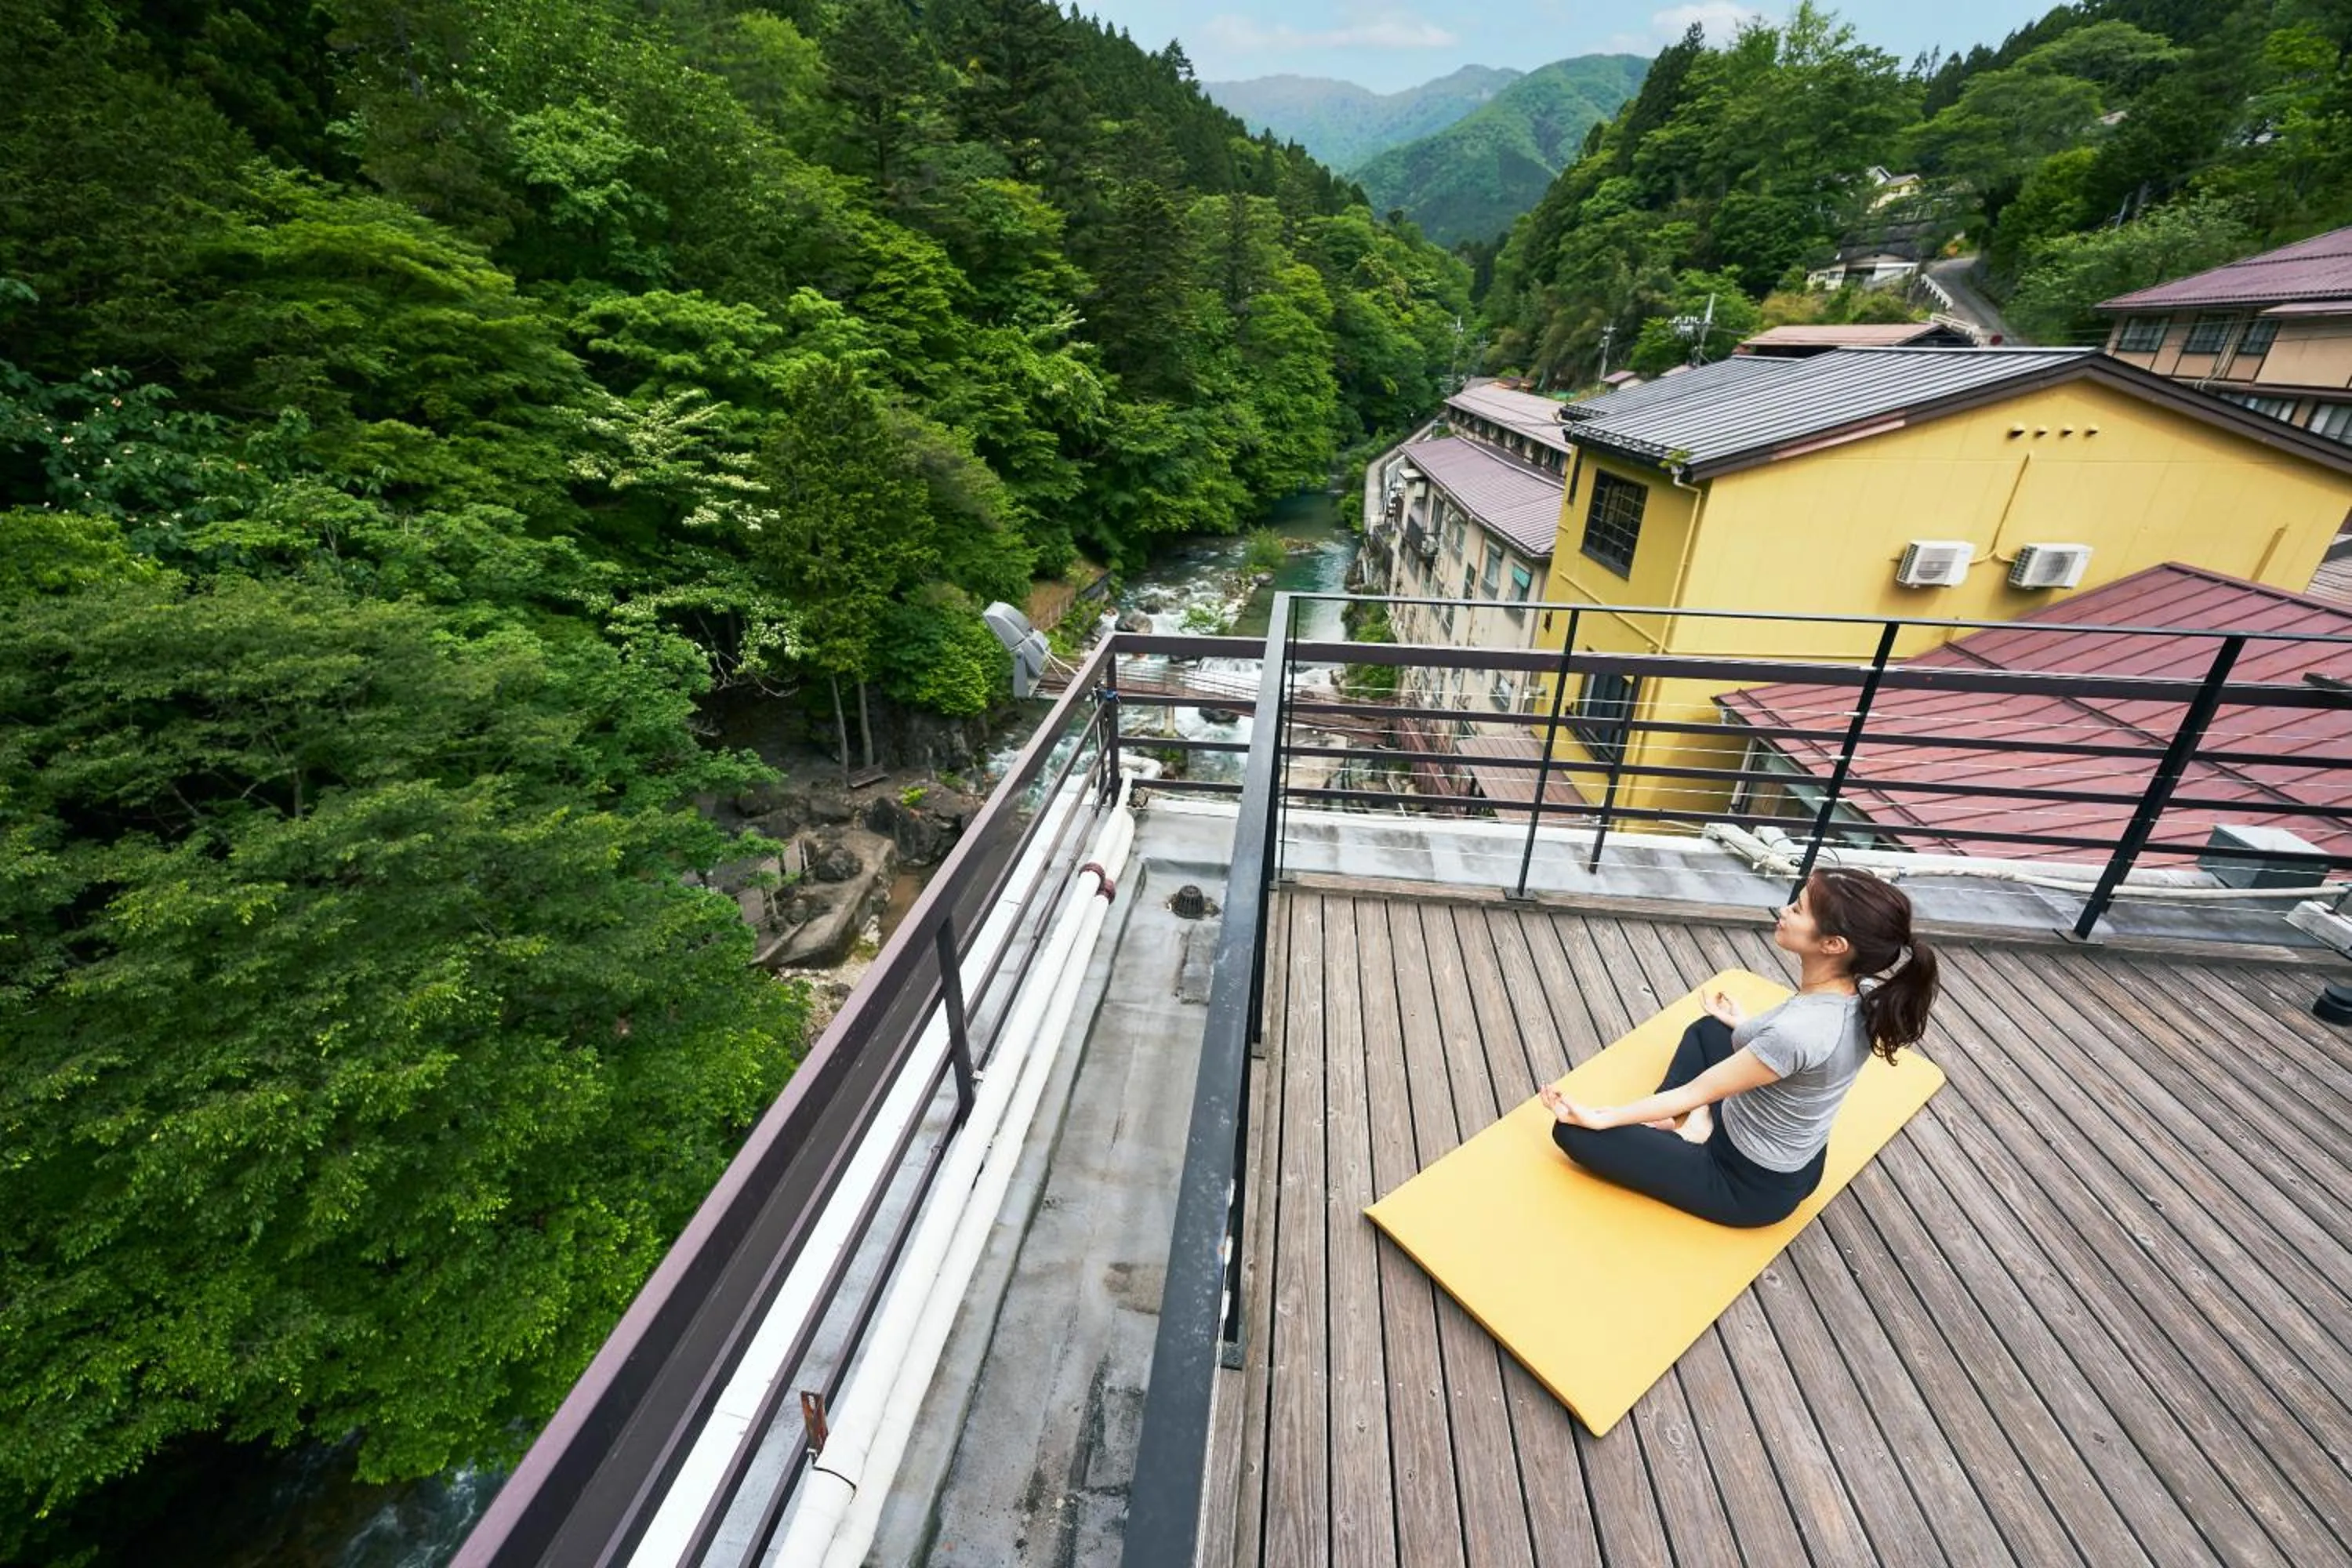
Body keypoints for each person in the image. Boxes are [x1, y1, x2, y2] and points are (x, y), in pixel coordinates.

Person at [1537, 869, 1939, 1229]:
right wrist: (1745, 1024)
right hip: (1797, 1159)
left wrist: (1601, 1118)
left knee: (1574, 1133)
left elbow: (1698, 1090)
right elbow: (1802, 1055)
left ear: (1833, 944)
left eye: (1798, 910)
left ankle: (1684, 1128)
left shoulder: (1798, 1033)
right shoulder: (1865, 993)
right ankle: (1682, 1123)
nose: (1784, 911)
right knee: (1712, 1029)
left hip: (1747, 1185)